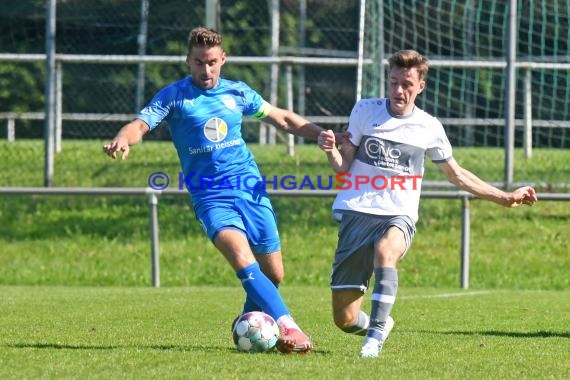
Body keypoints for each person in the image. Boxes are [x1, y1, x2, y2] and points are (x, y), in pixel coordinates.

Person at [103, 27, 324, 354]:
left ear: (223, 60)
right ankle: (288, 326)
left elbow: (283, 119)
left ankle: (253, 326)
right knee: (240, 257)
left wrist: (321, 134)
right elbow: (140, 125)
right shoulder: (174, 97)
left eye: (211, 63)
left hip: (250, 190)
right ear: (187, 61)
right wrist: (123, 138)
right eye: (197, 63)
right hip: (210, 196)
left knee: (274, 274)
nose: (204, 70)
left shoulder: (238, 93)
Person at [317, 49, 538, 358]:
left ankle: (375, 338)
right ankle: (378, 324)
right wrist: (330, 150)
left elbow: (458, 175)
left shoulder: (429, 127)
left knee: (386, 250)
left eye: (406, 83)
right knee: (345, 318)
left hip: (398, 214)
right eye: (393, 82)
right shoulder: (364, 111)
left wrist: (504, 197)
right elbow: (343, 169)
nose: (398, 90)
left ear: (420, 86)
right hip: (357, 212)